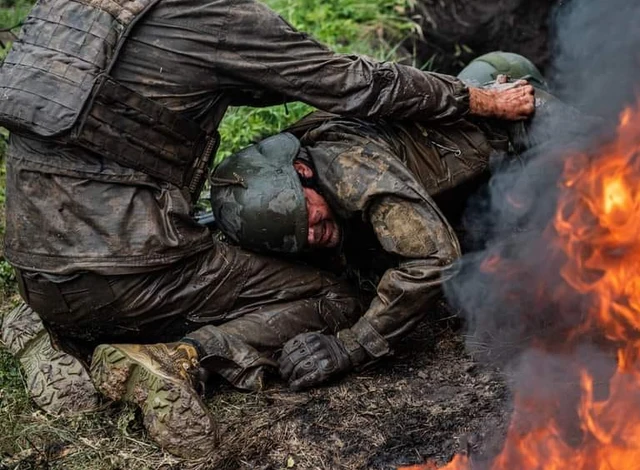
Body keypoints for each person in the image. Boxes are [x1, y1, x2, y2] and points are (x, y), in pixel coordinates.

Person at [0, 0, 534, 457]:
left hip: (37, 263)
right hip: (128, 269)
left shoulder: (72, 9)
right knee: (335, 296)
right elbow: (353, 84)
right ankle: (179, 357)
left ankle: (50, 331)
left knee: (224, 236)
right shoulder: (209, 16)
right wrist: (477, 99)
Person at [210, 52, 553, 392]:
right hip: (468, 174)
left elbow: (432, 261)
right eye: (299, 237)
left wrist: (349, 347)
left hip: (523, 119)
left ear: (303, 173)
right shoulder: (281, 184)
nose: (313, 236)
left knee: (601, 182)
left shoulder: (349, 168)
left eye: (308, 219)